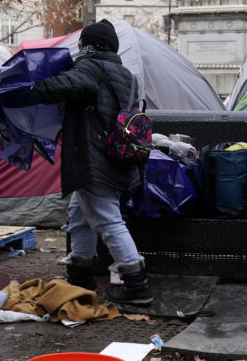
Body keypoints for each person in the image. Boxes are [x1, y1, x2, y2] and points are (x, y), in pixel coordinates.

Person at [31, 19, 153, 306]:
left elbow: (64, 85)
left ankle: (138, 285)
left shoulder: (89, 67)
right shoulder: (126, 74)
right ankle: (80, 275)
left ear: (87, 44)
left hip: (93, 157)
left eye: (82, 42)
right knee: (79, 214)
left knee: (107, 219)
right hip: (118, 157)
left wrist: (31, 87)